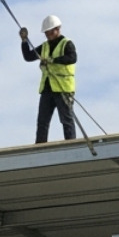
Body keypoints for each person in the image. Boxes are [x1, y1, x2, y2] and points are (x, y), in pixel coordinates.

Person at [19, 15, 77, 144]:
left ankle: (72, 145)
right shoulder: (45, 46)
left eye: (49, 32)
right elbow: (28, 56)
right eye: (46, 32)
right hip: (48, 88)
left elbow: (72, 58)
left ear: (57, 29)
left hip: (63, 88)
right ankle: (40, 147)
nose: (47, 35)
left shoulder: (66, 44)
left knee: (66, 120)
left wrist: (52, 60)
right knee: (42, 121)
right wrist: (24, 41)